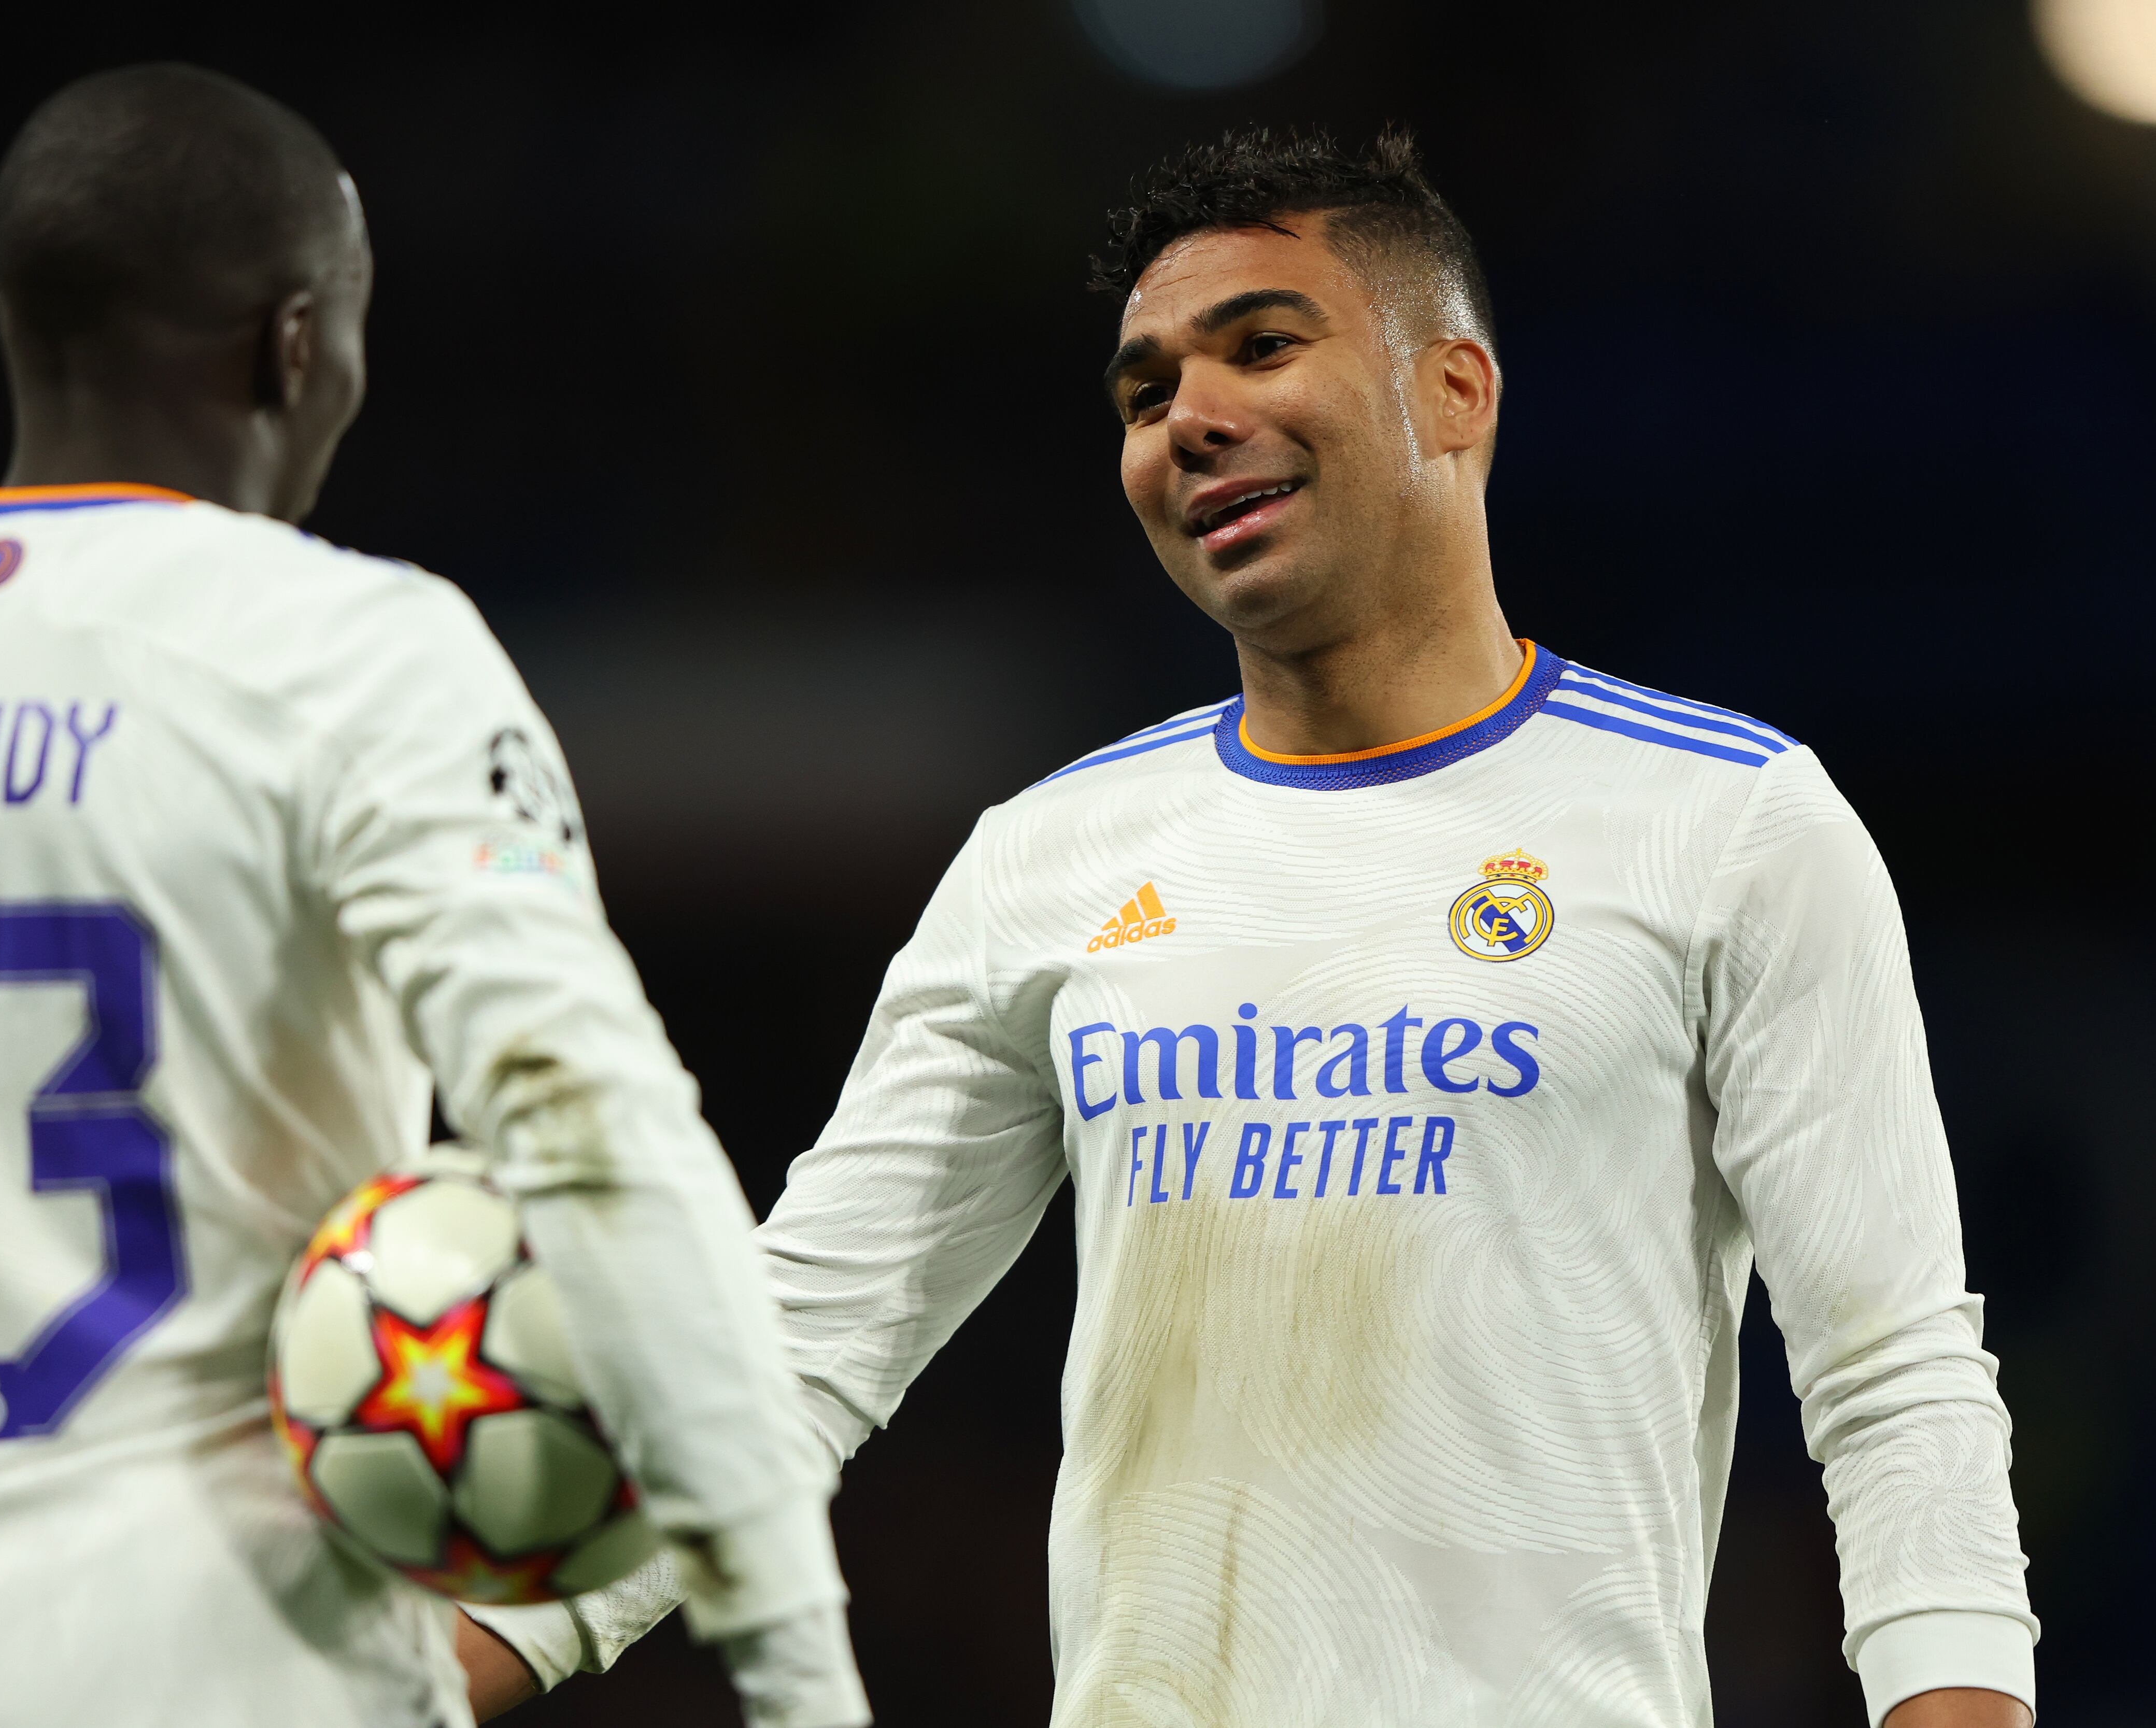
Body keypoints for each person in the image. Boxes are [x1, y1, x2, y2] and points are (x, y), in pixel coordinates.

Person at [462, 129, 2036, 1726]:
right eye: (1145, 395)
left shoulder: (1733, 825)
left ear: (1456, 392)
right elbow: (796, 1353)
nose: (1189, 421)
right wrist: (445, 1661)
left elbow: (1893, 1375)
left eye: (1262, 346)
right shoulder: (1049, 858)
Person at [0, 63, 866, 1728]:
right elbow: (596, 1134)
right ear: (297, 344)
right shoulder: (348, 648)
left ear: (21, 323)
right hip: (218, 1663)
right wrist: (794, 1664)